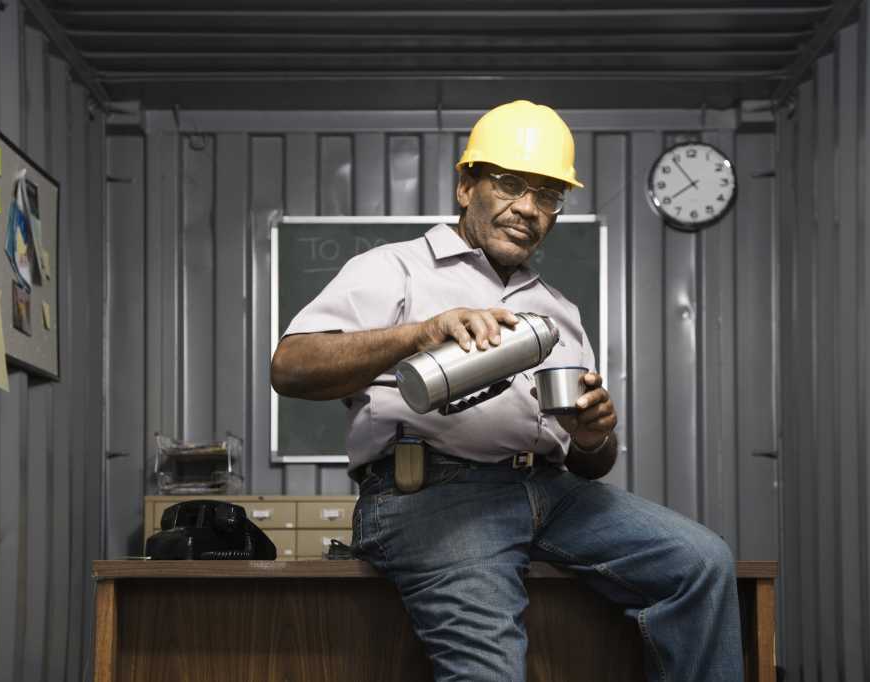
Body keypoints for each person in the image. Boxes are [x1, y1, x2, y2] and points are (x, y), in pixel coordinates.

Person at [271, 100, 744, 681]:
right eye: (510, 184)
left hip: (552, 491)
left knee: (701, 562)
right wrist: (419, 333)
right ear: (466, 186)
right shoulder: (393, 269)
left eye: (547, 195)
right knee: (488, 672)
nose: (529, 208)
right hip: (433, 496)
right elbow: (290, 367)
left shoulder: (559, 311)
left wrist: (594, 436)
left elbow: (591, 465)